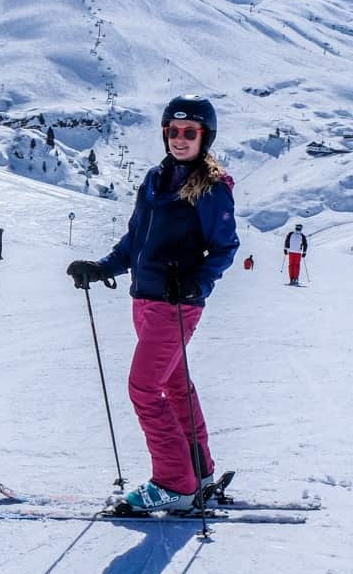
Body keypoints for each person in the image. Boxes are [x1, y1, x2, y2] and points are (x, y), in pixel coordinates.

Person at [66, 96, 239, 513]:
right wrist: (101, 267)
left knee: (144, 388)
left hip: (177, 304)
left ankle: (173, 483)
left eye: (190, 132)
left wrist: (196, 284)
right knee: (174, 385)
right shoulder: (153, 179)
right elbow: (135, 241)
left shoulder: (212, 188)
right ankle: (198, 473)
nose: (180, 140)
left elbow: (225, 248)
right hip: (145, 301)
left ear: (204, 136)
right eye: (174, 131)